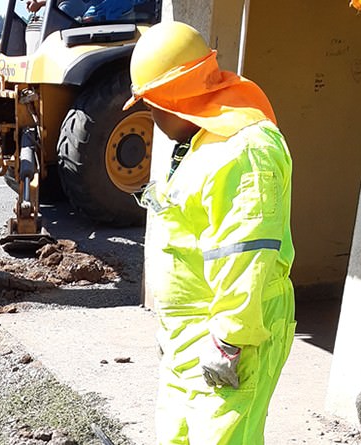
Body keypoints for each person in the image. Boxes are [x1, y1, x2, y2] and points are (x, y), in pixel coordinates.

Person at [125, 21, 296, 444]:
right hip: (190, 334)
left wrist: (229, 341)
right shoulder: (202, 143)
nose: (153, 117)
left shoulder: (245, 150)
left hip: (231, 336)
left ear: (174, 98)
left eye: (152, 105)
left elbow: (246, 252)